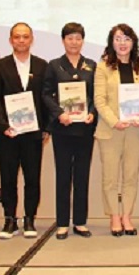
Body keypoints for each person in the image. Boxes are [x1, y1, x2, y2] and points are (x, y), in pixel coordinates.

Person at [0, 23, 49, 239]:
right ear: (10, 40)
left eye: (25, 37)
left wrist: (46, 128)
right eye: (17, 37)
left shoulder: (42, 65)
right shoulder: (0, 66)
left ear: (31, 39)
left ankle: (30, 219)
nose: (21, 40)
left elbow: (46, 98)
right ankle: (10, 220)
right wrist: (3, 125)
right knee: (8, 177)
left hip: (33, 133)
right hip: (8, 133)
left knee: (32, 178)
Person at [42, 22, 97, 240]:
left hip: (85, 129)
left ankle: (80, 222)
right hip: (62, 129)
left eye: (78, 38)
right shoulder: (54, 65)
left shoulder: (91, 65)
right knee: (63, 176)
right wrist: (59, 114)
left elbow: (96, 96)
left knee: (82, 176)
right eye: (70, 38)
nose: (74, 42)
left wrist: (92, 113)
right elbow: (46, 94)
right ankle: (63, 223)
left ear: (83, 41)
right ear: (63, 40)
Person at [94, 24, 139, 236]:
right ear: (111, 43)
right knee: (110, 177)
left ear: (133, 42)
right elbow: (99, 100)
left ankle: (126, 215)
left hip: (135, 130)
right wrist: (114, 121)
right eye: (118, 39)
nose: (122, 43)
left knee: (131, 176)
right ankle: (114, 216)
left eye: (126, 39)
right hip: (110, 130)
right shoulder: (103, 67)